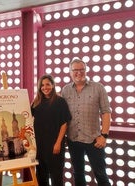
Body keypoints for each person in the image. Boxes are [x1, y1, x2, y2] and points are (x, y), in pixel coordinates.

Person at [62, 58, 111, 186]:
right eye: (75, 70)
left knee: (100, 174)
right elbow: (60, 113)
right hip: (73, 140)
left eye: (81, 69)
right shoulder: (65, 90)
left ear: (86, 70)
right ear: (70, 72)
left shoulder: (98, 87)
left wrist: (104, 135)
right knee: (78, 173)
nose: (78, 72)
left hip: (94, 140)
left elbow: (106, 112)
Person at [31, 74, 72, 186]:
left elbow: (64, 124)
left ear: (53, 85)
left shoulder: (60, 101)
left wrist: (58, 143)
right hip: (40, 145)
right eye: (42, 85)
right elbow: (26, 118)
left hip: (55, 144)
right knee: (41, 176)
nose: (45, 87)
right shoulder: (36, 102)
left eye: (48, 84)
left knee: (56, 176)